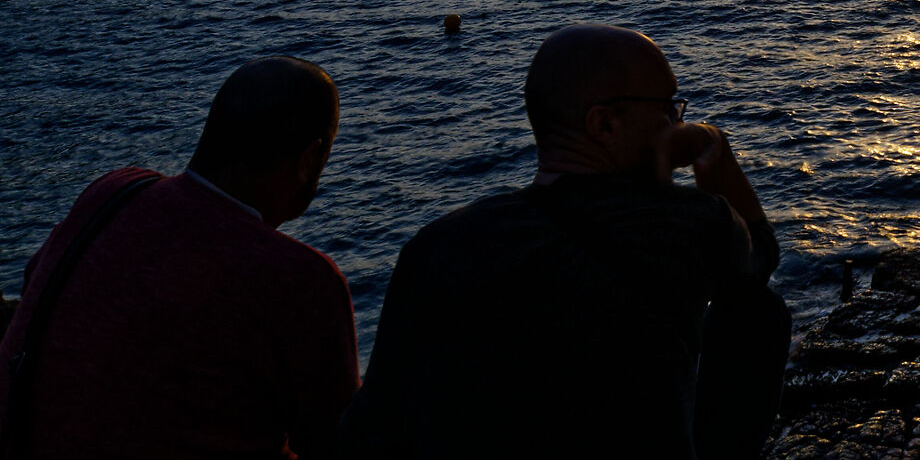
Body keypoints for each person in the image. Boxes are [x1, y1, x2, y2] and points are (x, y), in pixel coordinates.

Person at [341, 25, 790, 460]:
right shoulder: (687, 223)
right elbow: (762, 252)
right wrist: (717, 153)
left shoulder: (435, 246)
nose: (679, 122)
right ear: (605, 125)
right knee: (758, 311)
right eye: (668, 108)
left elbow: (374, 423)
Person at [0, 56, 356, 458]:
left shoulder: (113, 192)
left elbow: (35, 288)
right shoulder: (302, 279)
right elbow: (336, 447)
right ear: (309, 160)